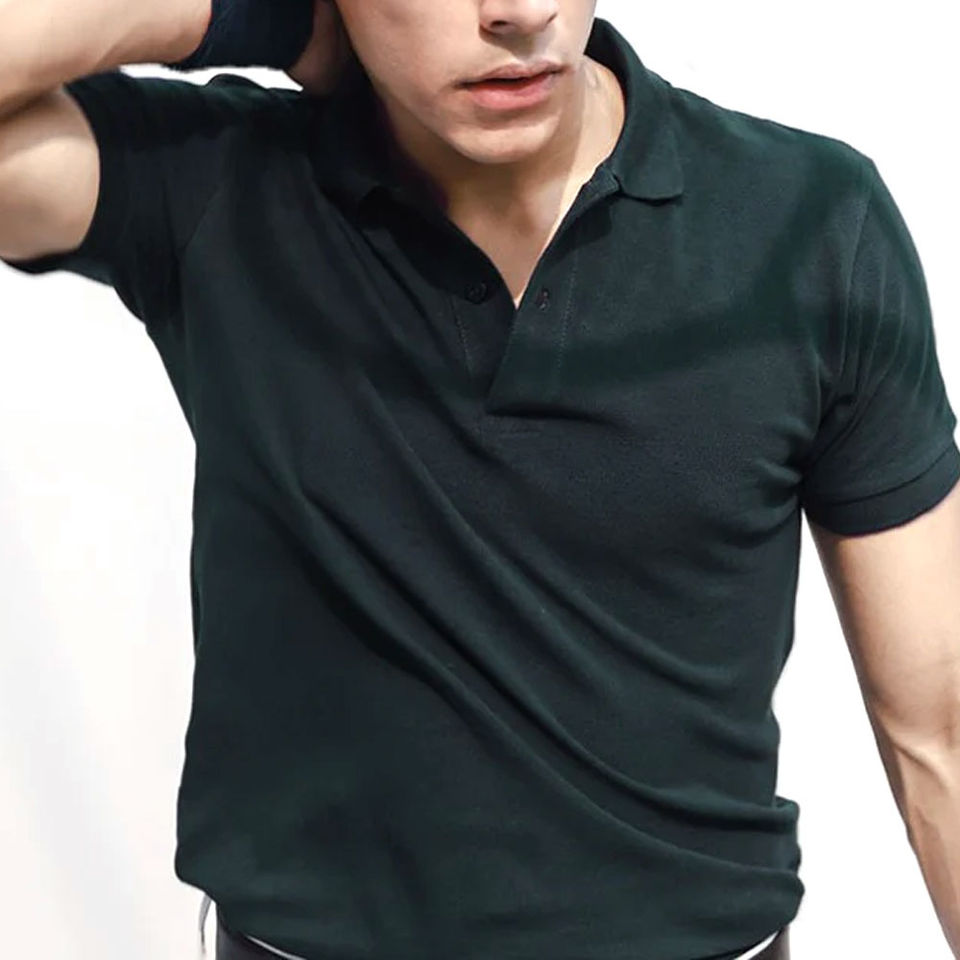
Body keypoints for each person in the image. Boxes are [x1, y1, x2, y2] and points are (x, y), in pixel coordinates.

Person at [1, 2, 958, 959]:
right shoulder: (217, 179)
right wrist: (249, 16)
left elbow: (940, 737)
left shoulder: (810, 222)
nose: (521, 11)